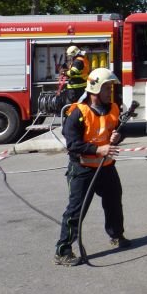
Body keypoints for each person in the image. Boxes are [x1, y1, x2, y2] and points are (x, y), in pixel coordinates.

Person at [54, 68, 130, 266]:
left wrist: (118, 137)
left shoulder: (113, 108)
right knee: (76, 211)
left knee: (114, 202)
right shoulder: (78, 113)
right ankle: (63, 250)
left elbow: (119, 131)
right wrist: (98, 149)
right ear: (95, 90)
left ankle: (116, 235)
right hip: (82, 169)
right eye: (106, 88)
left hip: (106, 167)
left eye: (111, 88)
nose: (110, 92)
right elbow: (72, 144)